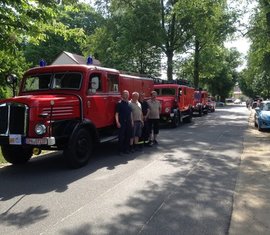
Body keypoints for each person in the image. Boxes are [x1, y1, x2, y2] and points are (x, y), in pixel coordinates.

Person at [115, 90, 133, 155]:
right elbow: (117, 114)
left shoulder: (129, 104)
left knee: (128, 136)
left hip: (128, 122)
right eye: (125, 94)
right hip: (122, 122)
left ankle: (126, 149)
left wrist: (132, 121)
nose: (126, 95)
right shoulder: (119, 103)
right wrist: (117, 122)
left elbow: (131, 113)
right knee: (121, 137)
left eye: (127, 94)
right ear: (122, 95)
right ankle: (120, 151)